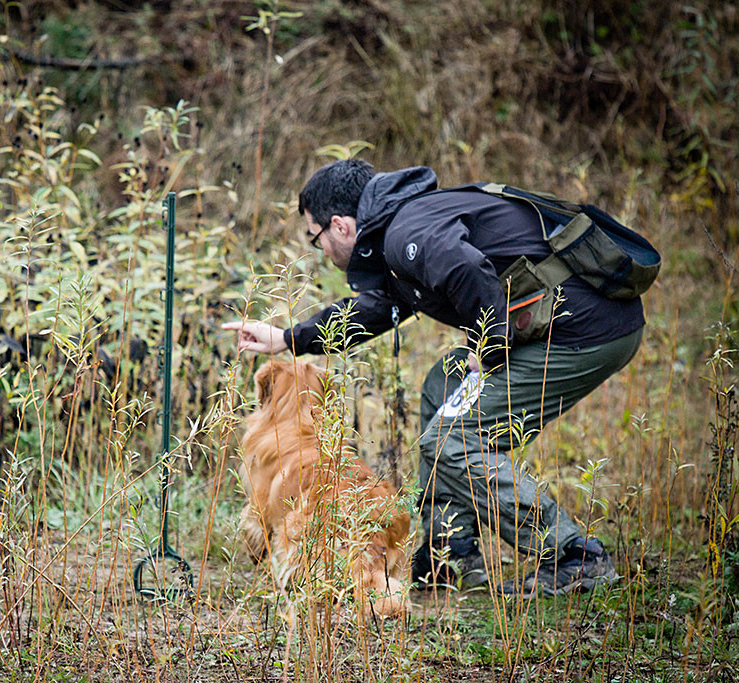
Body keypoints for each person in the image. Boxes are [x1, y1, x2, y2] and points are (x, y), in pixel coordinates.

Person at [224, 160, 644, 596]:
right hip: (560, 325)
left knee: (454, 439)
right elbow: (375, 309)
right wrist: (290, 338)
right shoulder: (401, 229)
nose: (323, 253)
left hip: (584, 332)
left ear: (340, 225)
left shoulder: (409, 231)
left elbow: (466, 269)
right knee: (440, 385)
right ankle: (451, 553)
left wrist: (489, 346)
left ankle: (573, 556)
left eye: (317, 239)